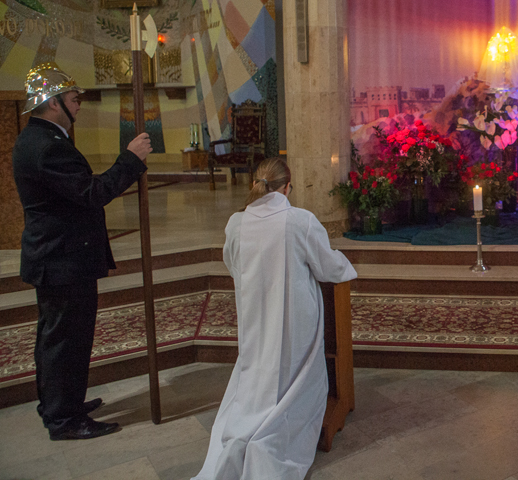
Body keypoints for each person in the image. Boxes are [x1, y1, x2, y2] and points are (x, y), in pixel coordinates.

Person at [193, 158, 358, 480]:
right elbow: (328, 267)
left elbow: (233, 265)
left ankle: (247, 430)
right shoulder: (299, 221)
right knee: (293, 373)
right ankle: (273, 437)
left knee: (258, 371)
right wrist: (347, 266)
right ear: (287, 187)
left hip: (255, 317)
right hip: (295, 323)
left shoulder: (236, 223)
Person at [12, 63, 152, 441]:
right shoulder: (47, 146)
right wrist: (131, 159)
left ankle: (60, 404)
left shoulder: (38, 138)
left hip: (58, 256)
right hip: (62, 259)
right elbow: (92, 193)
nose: (79, 105)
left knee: (57, 337)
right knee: (66, 341)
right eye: (74, 99)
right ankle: (64, 419)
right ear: (53, 102)